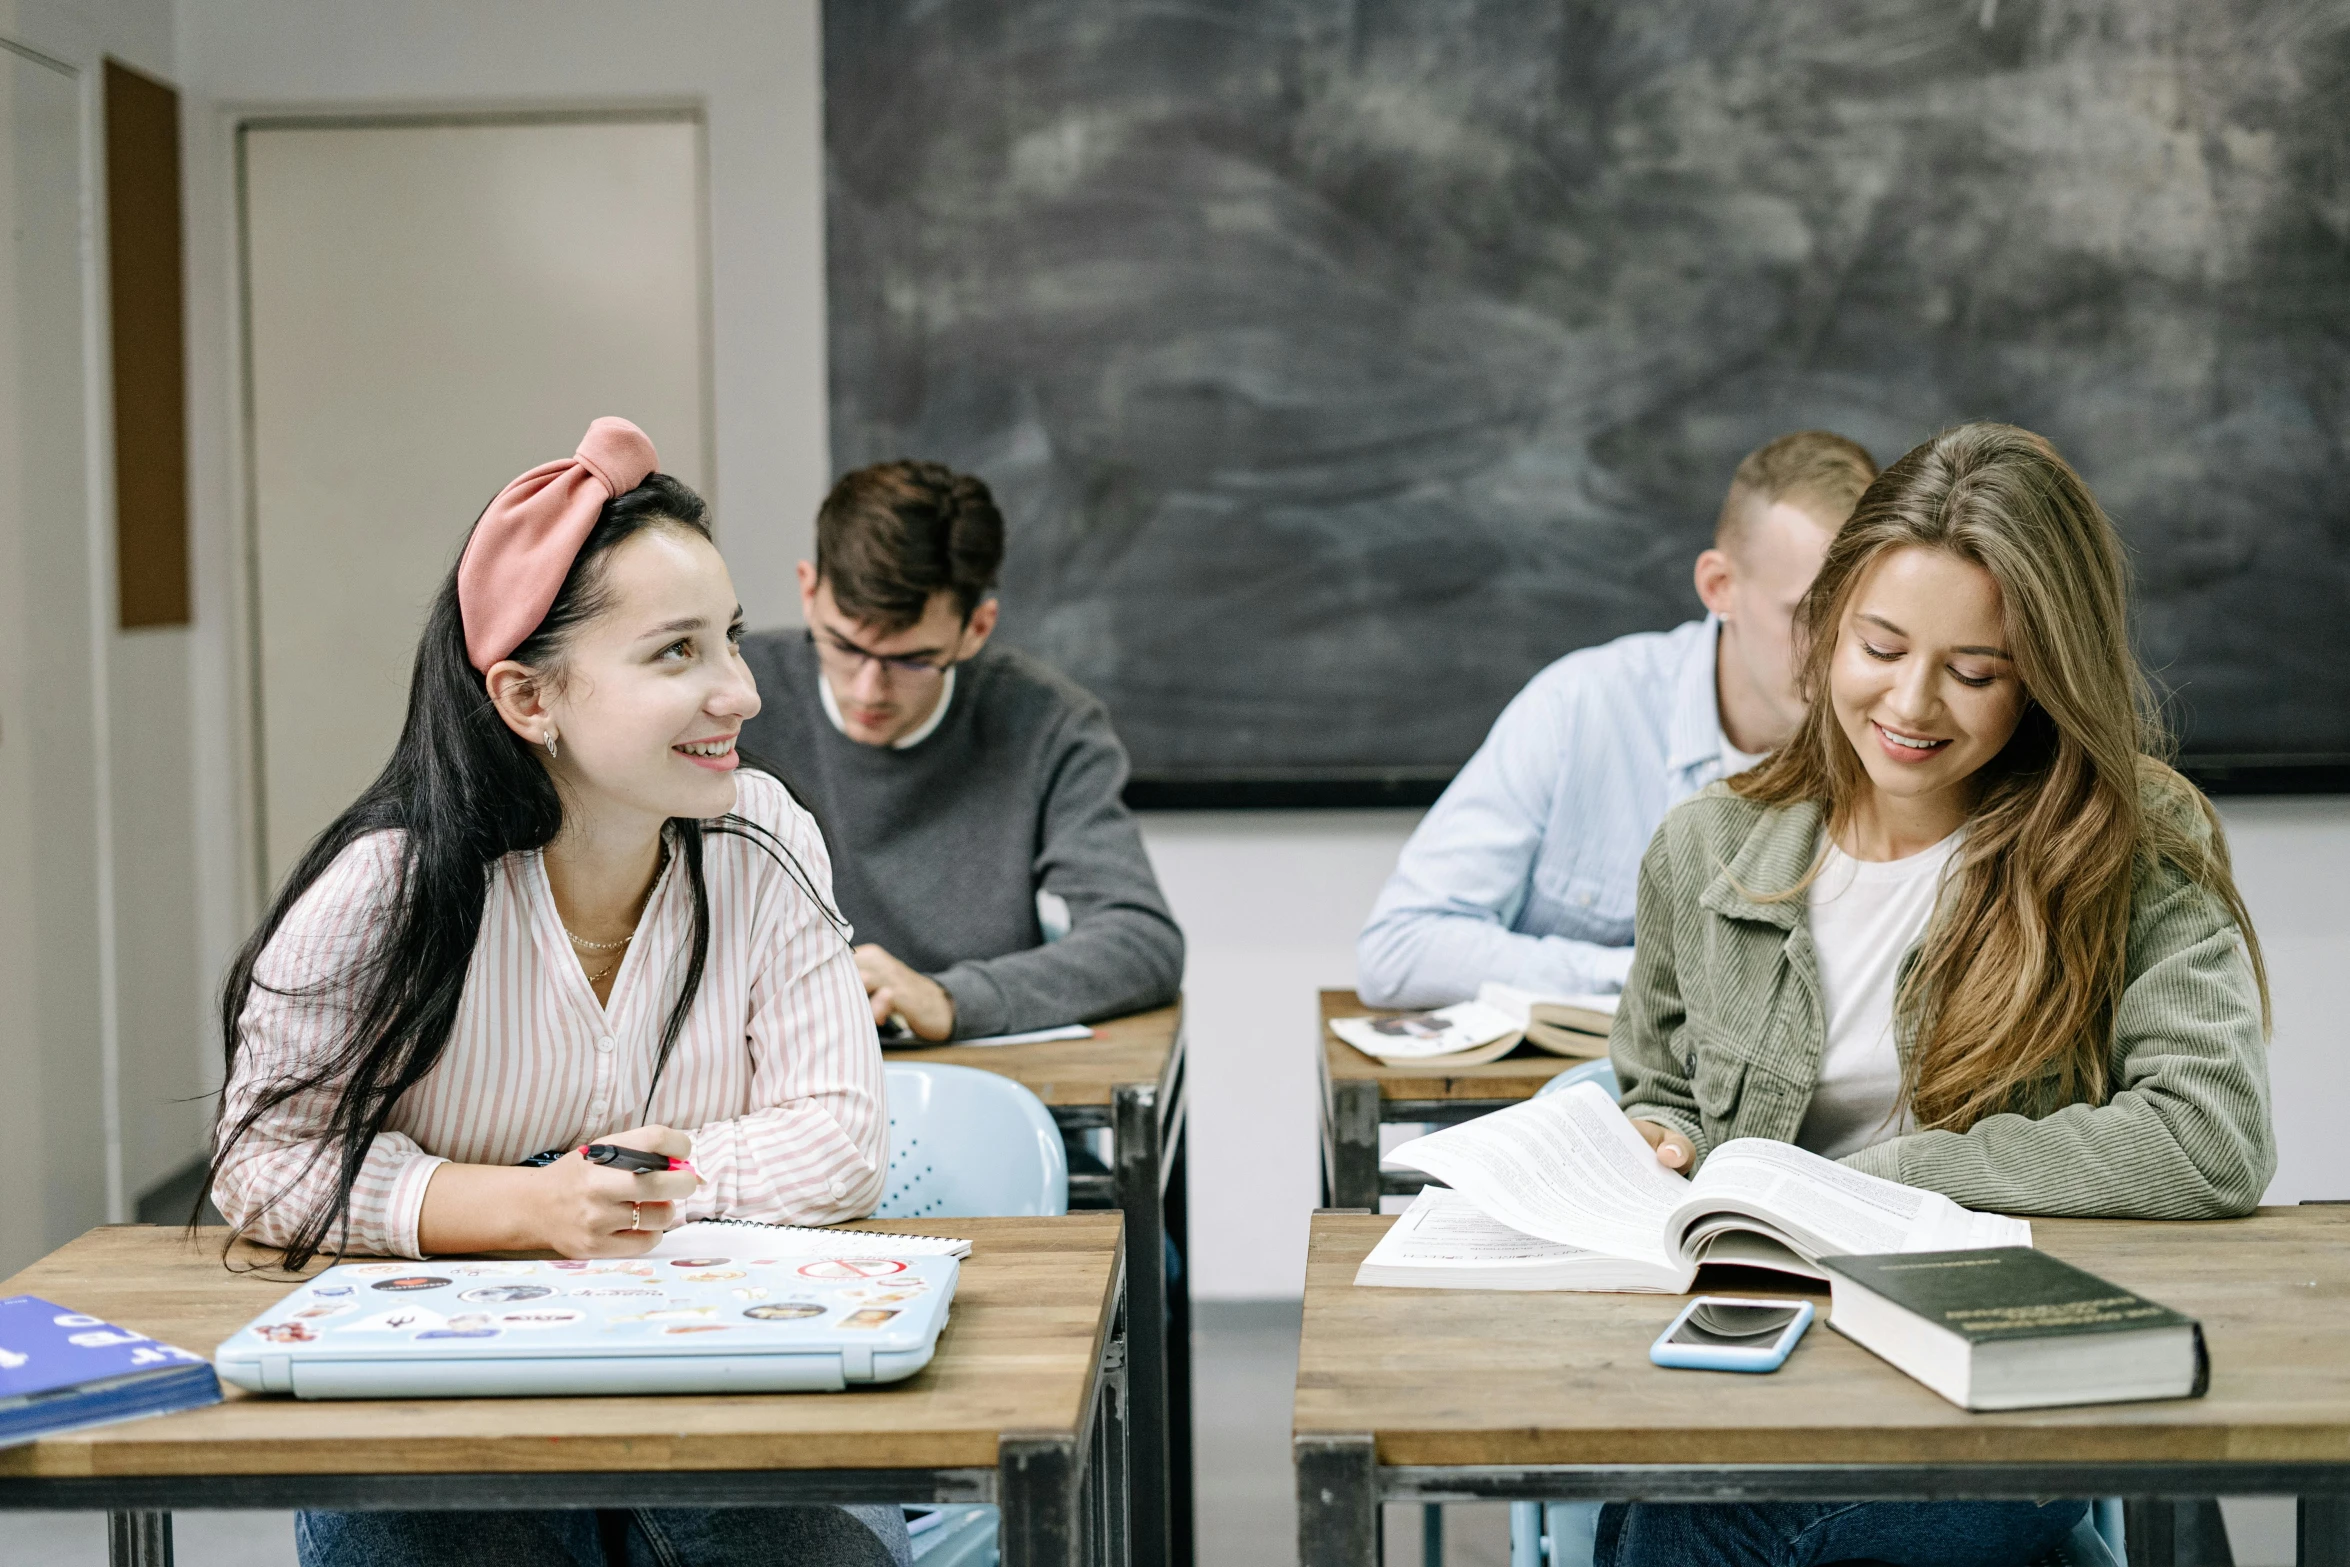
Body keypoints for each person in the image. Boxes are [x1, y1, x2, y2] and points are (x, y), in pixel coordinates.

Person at [209, 419, 905, 1567]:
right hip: (446, 1396)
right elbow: (265, 1158)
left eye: (728, 639)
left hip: (718, 1369)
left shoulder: (765, 835)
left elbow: (838, 1138)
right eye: (676, 653)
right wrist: (530, 1209)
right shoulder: (387, 887)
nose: (741, 691)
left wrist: (604, 1191)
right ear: (529, 698)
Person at [1603, 422, 2274, 1567]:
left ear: (2046, 678)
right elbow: (1661, 1084)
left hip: (2009, 1373)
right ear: (1825, 630)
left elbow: (2209, 1135)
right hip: (1779, 1358)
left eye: (1975, 672)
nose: (1912, 704)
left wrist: (1888, 1183)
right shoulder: (1705, 846)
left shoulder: (2132, 842)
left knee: (1688, 1517)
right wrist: (1653, 1133)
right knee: (1671, 1487)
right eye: (1879, 645)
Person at [1357, 431, 1878, 1009]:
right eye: (1807, 615)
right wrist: (1648, 978)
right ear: (1719, 587)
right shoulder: (1582, 707)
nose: (1837, 653)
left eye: (1866, 623)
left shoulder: (1895, 744)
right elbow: (1399, 949)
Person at [736, 459, 1183, 1044]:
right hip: (771, 1078)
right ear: (809, 590)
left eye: (912, 660)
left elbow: (1141, 940)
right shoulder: (733, 702)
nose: (868, 689)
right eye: (844, 646)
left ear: (977, 627)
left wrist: (950, 998)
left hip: (977, 1083)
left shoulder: (1049, 727)